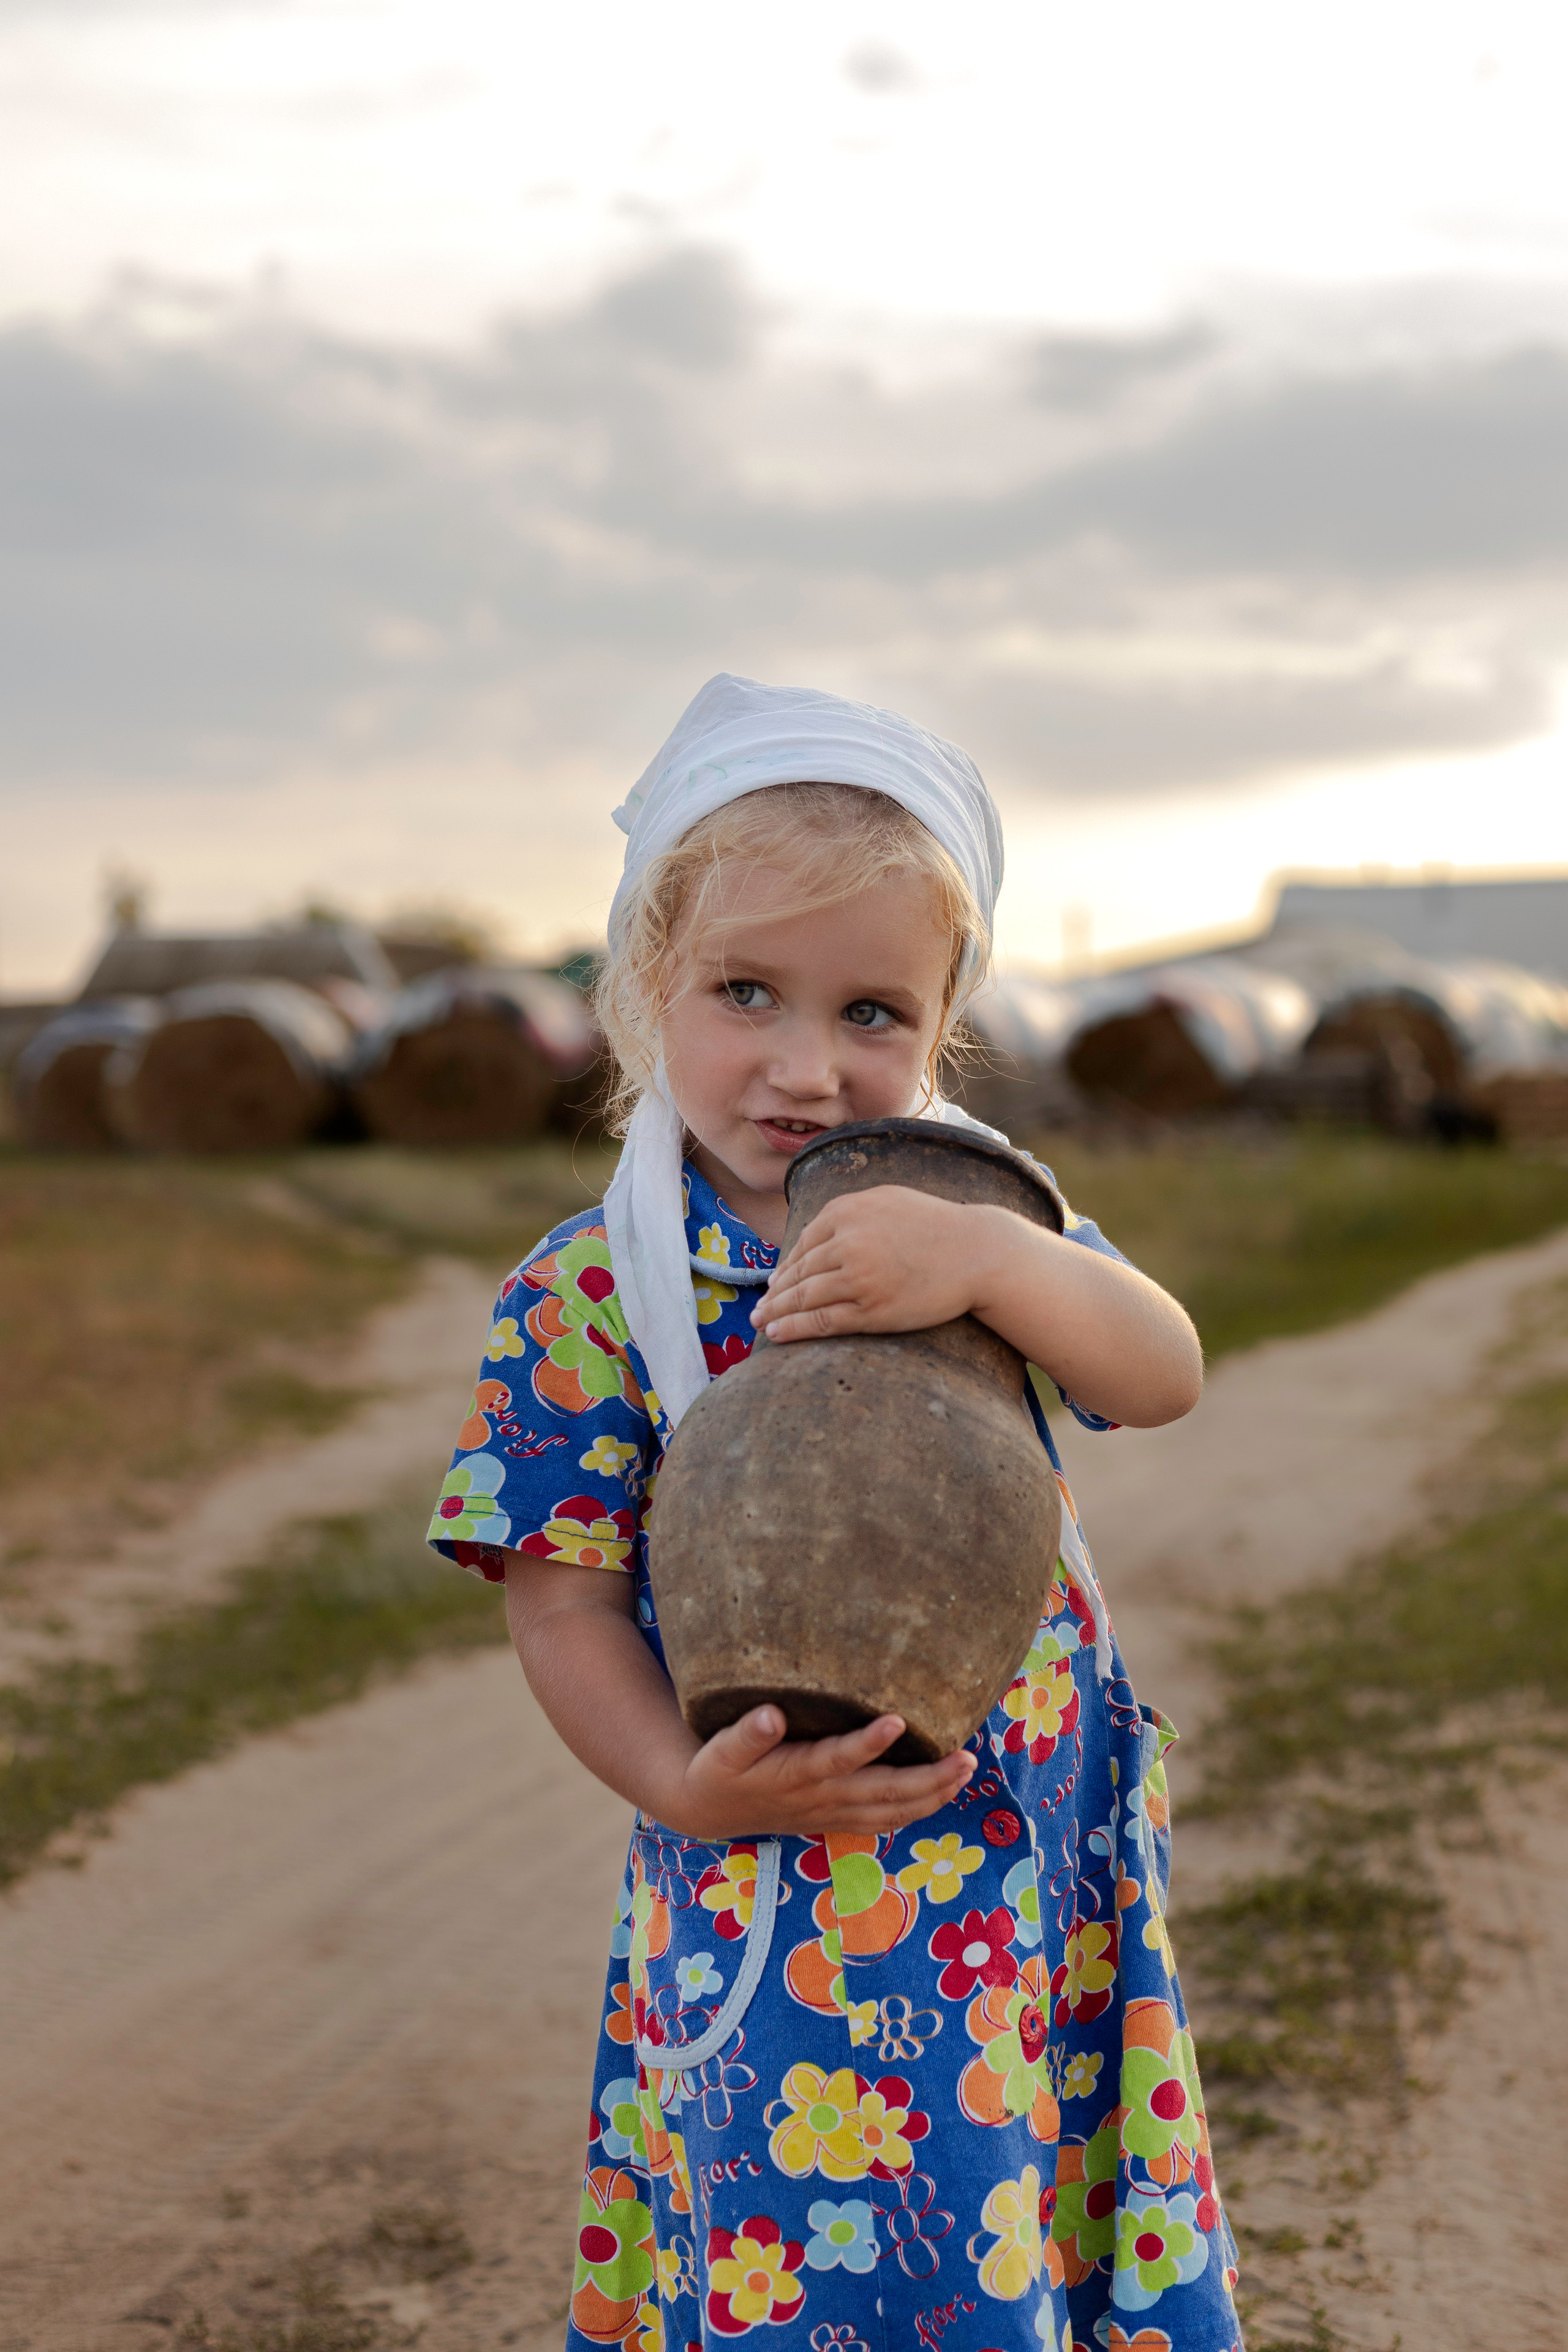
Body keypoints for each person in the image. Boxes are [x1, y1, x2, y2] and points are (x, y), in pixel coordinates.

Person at [428, 674, 1243, 2352]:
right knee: (797, 2232)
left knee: (1016, 2197)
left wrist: (1010, 1261)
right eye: (747, 993)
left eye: (875, 1014)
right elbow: (561, 1601)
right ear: (645, 986)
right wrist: (676, 1783)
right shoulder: (590, 1290)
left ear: (946, 1021)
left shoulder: (968, 1220)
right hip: (775, 1855)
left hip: (1015, 1855)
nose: (808, 1067)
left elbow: (1160, 1373)